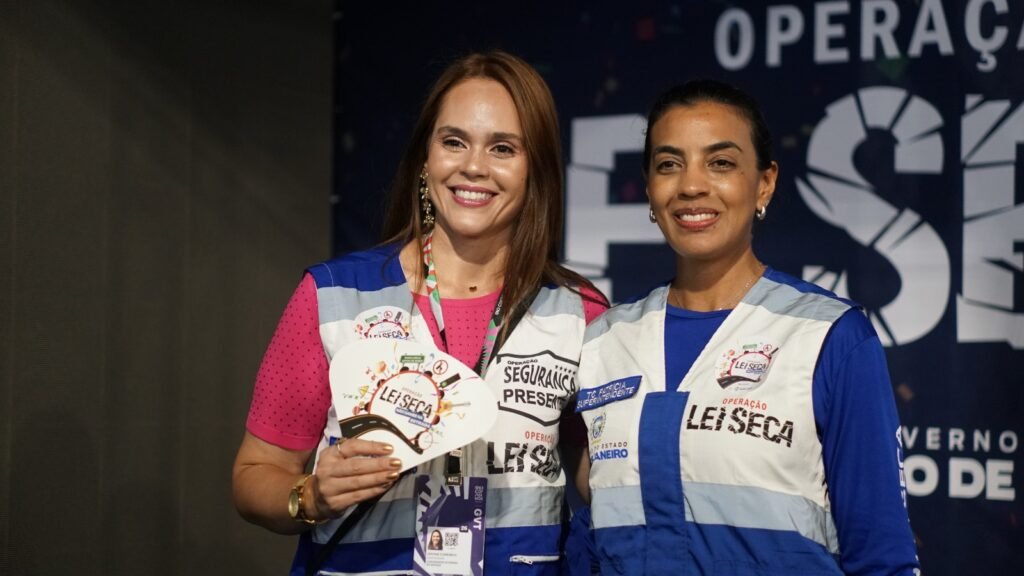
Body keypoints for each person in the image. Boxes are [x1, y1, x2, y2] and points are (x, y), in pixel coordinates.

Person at [232, 50, 606, 576]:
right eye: (453, 141)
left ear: (536, 169)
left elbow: (605, 478)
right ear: (425, 159)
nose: (473, 166)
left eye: (503, 148)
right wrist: (310, 496)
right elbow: (255, 473)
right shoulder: (336, 295)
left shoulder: (577, 311)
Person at [574, 80, 920, 575]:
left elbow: (882, 558)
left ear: (764, 183)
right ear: (649, 189)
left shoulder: (829, 336)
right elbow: (594, 538)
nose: (692, 185)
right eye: (669, 164)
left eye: (720, 162)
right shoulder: (606, 339)